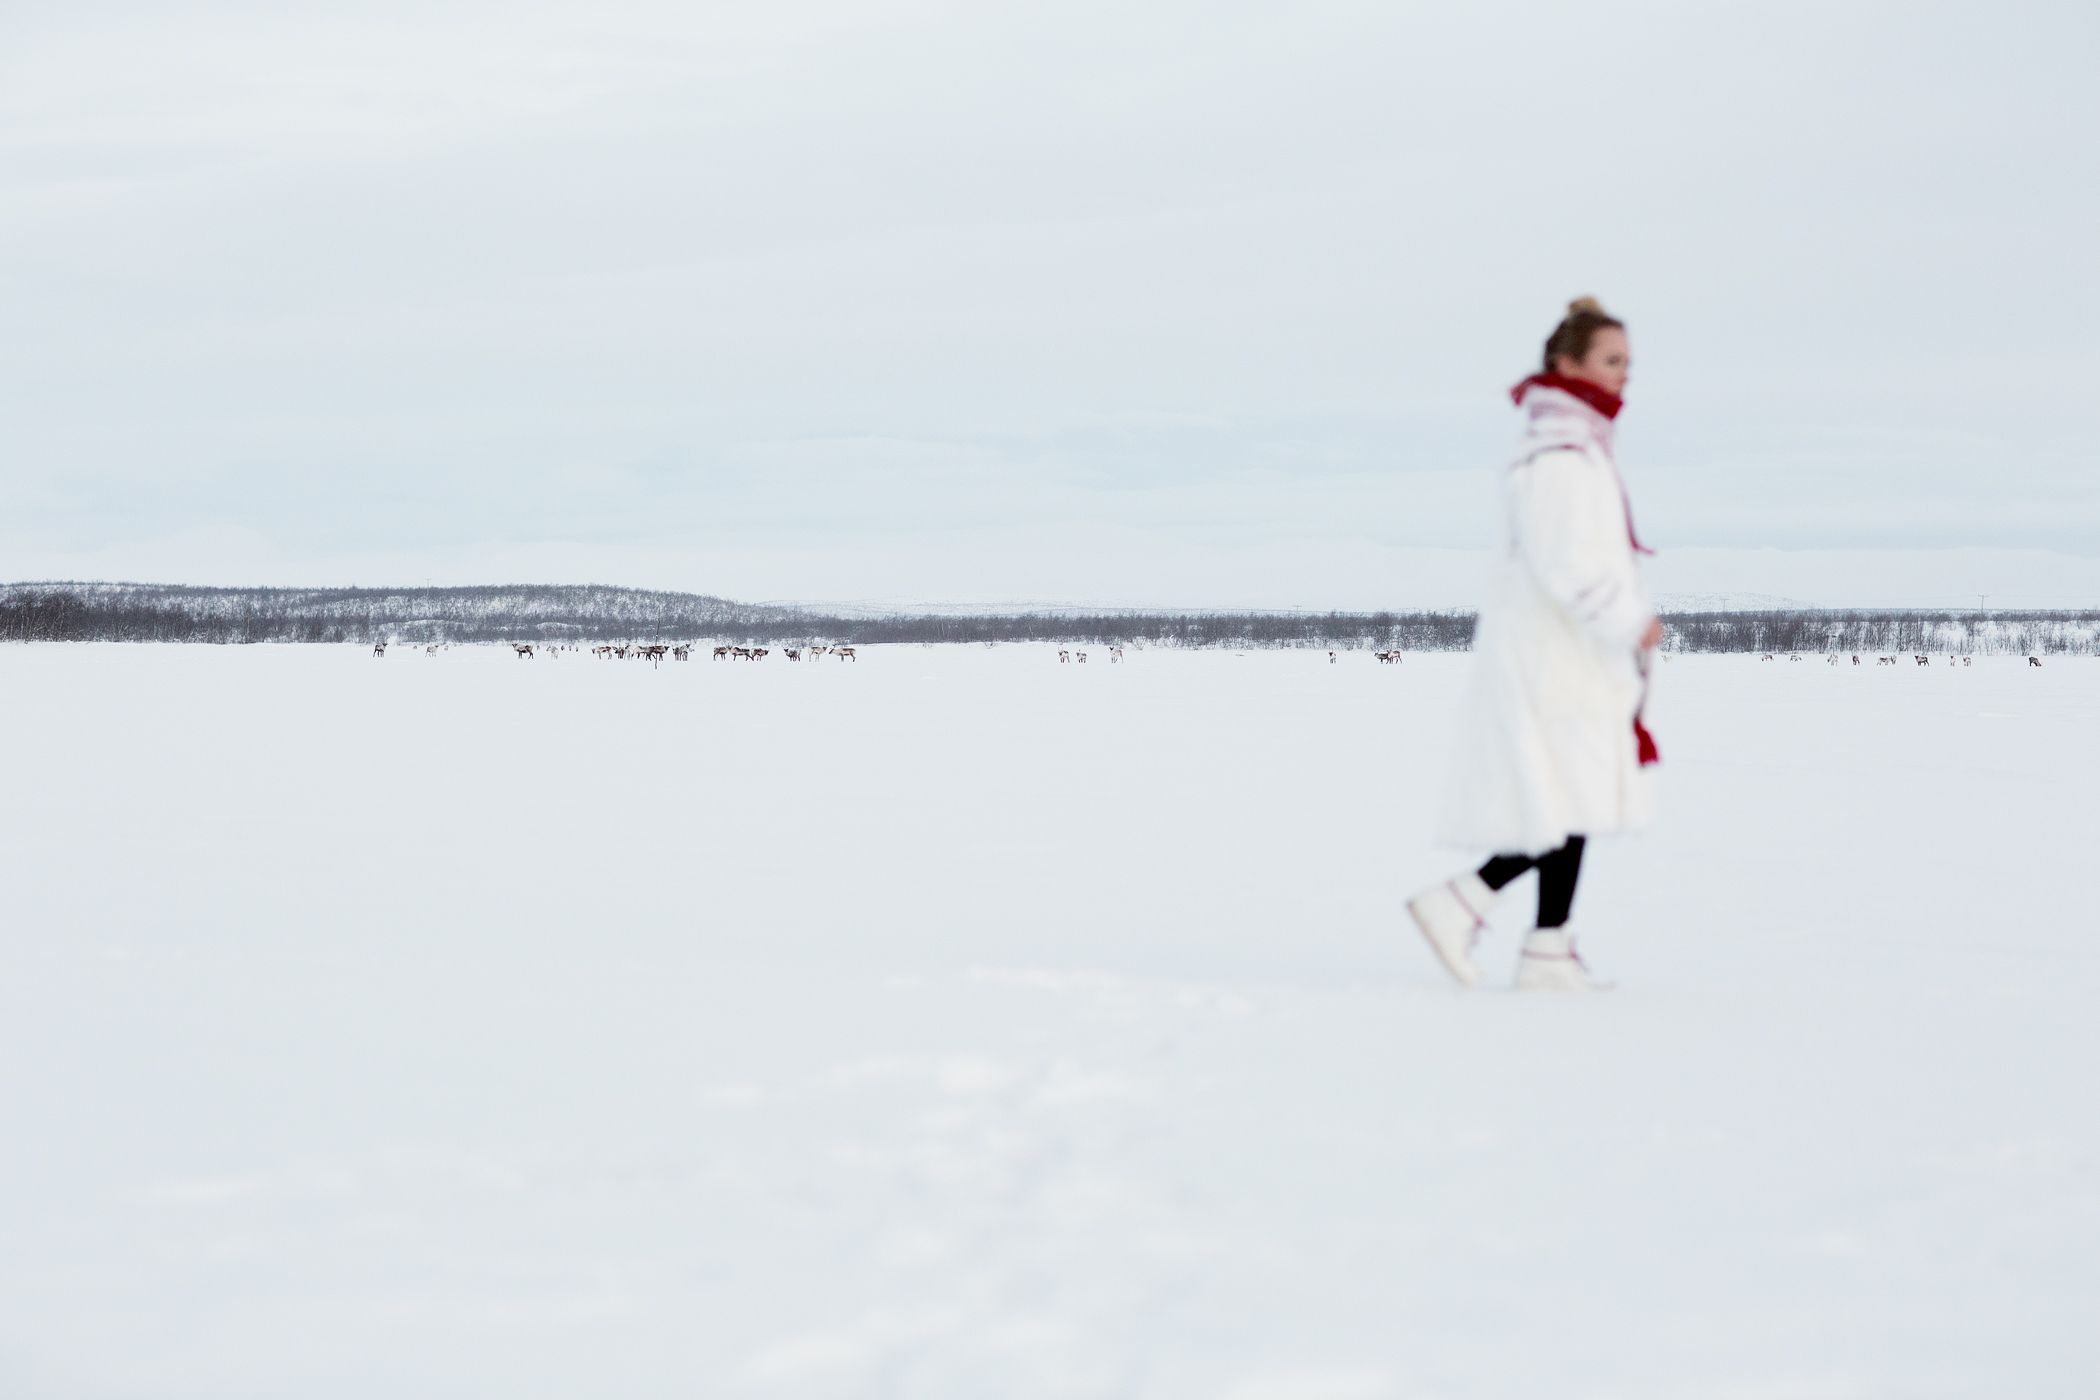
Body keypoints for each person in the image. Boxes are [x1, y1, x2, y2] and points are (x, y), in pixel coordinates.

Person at [1406, 296, 1663, 992]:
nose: (1623, 377)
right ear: (1566, 363)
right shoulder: (1557, 457)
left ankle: (1547, 948)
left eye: (1629, 364)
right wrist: (1626, 618)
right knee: (1566, 795)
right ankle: (1460, 902)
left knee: (1572, 795)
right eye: (1611, 362)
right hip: (1557, 657)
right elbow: (1566, 564)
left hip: (1575, 654)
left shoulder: (1579, 449)